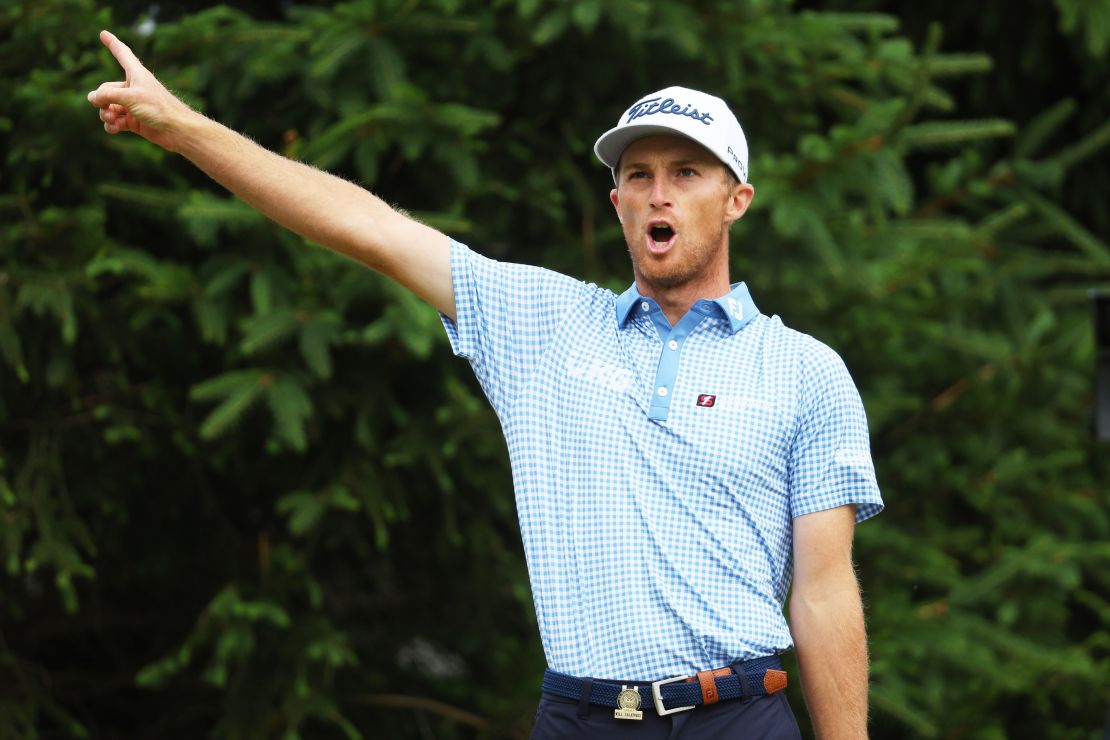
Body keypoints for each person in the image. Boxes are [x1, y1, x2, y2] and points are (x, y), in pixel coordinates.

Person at [88, 28, 883, 740]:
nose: (658, 193)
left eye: (686, 171)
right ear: (617, 203)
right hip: (582, 718)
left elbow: (821, 596)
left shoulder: (804, 371)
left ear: (735, 199)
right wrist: (179, 128)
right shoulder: (537, 320)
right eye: (637, 175)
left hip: (738, 717)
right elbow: (365, 225)